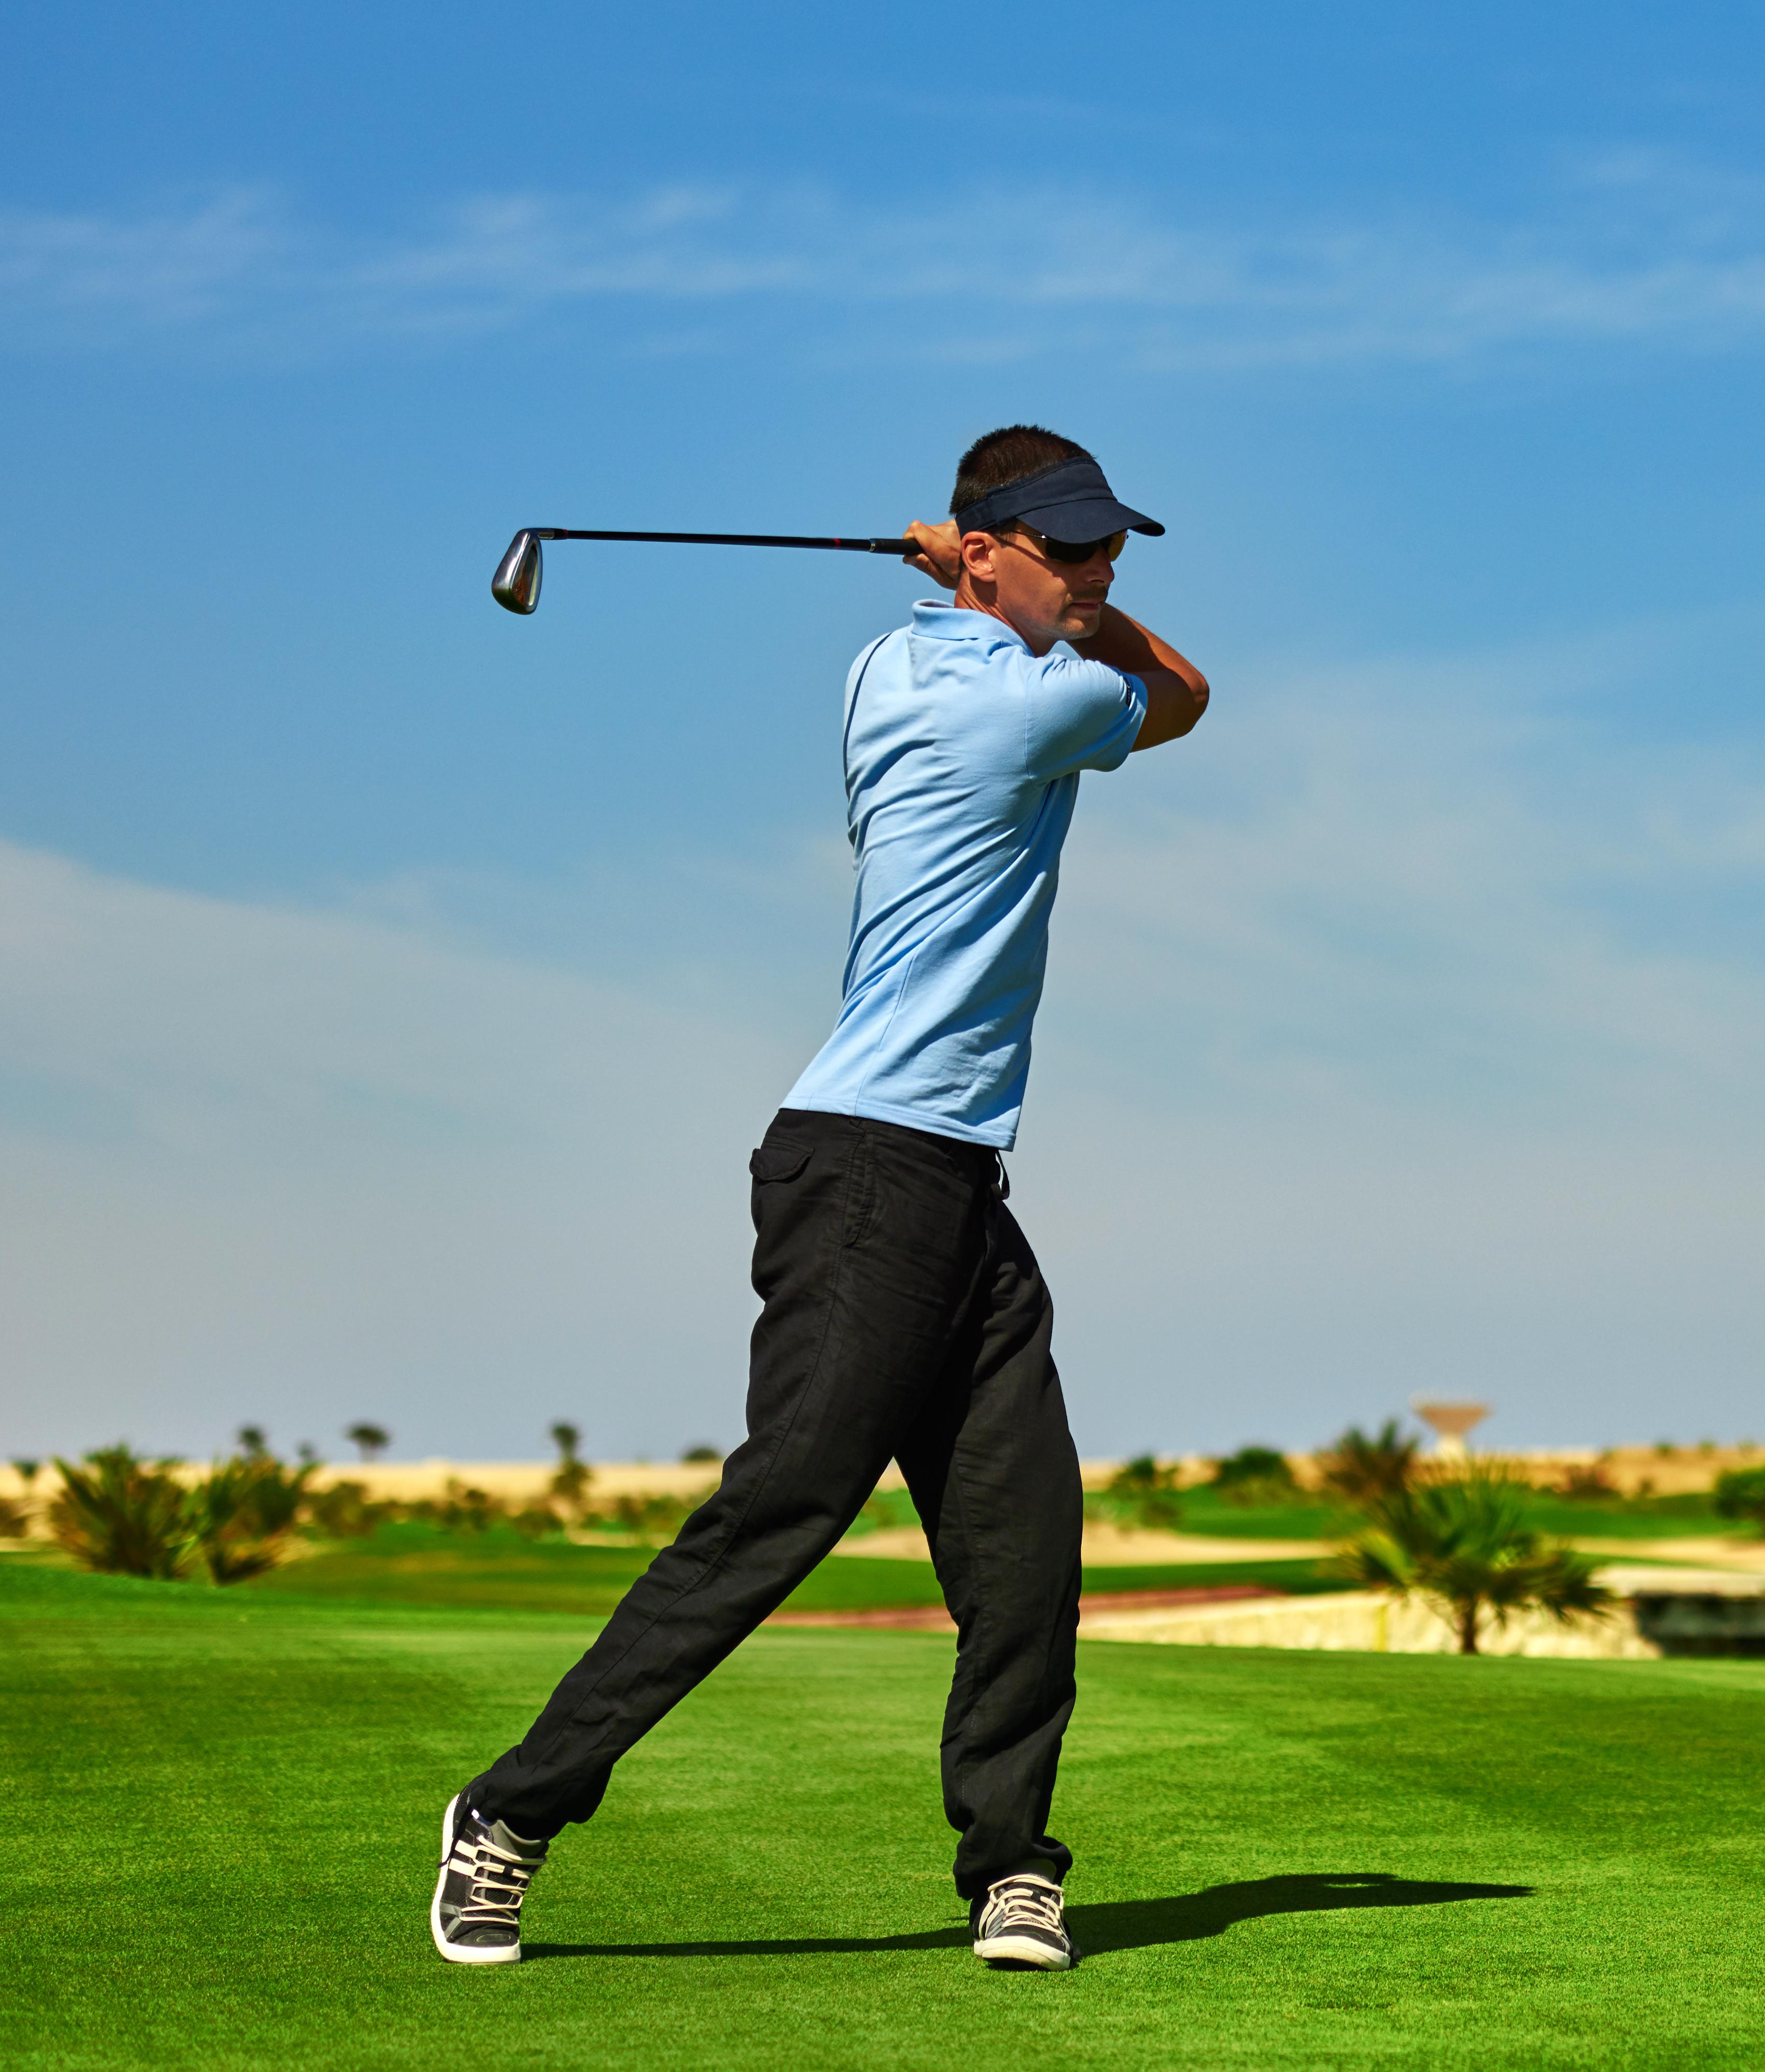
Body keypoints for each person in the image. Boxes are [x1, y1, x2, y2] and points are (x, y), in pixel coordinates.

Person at [428, 425, 1209, 1973]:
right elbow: (1185, 699)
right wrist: (1060, 615)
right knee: (786, 1502)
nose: (1097, 572)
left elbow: (1055, 641)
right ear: (984, 549)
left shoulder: (881, 669)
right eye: (1066, 548)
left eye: (1107, 548)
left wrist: (993, 585)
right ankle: (509, 1812)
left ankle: (1010, 1864)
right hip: (866, 1169)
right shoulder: (1030, 697)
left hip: (943, 1175)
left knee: (1022, 1536)